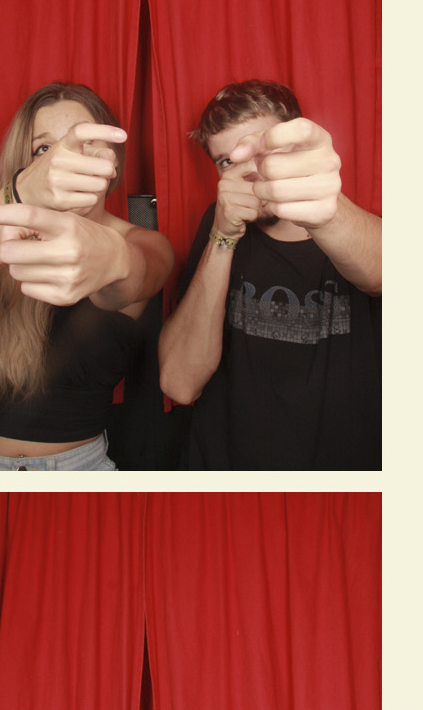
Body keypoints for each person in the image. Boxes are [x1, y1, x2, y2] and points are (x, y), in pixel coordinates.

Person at [0, 82, 174, 471]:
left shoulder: (144, 241)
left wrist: (113, 259)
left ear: (113, 159)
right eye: (44, 149)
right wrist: (20, 192)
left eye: (85, 143)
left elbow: (139, 272)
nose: (63, 161)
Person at [158, 81, 382, 470]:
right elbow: (180, 383)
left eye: (260, 150)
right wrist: (223, 236)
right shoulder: (217, 226)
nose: (247, 172)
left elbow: (386, 270)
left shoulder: (352, 230)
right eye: (227, 161)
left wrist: (322, 210)